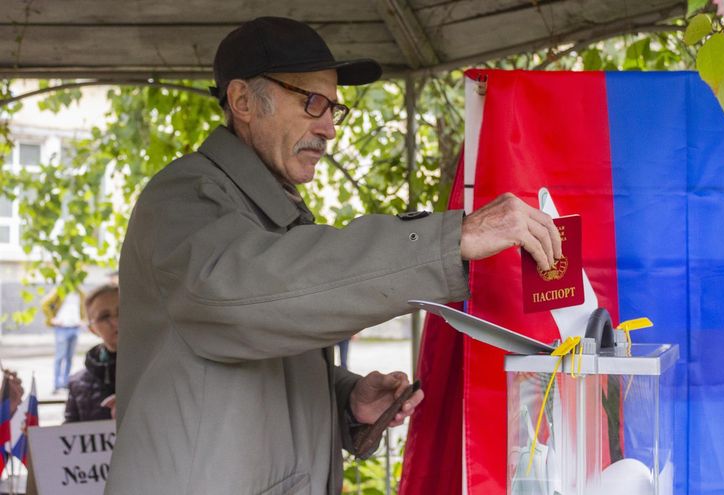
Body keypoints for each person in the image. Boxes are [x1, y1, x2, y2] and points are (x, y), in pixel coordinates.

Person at [106, 17, 561, 495]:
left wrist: (344, 401)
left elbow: (250, 358)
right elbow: (241, 300)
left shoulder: (267, 207)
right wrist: (450, 239)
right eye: (312, 103)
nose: (328, 128)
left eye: (333, 110)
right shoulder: (185, 196)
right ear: (242, 101)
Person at [64, 284, 118, 422]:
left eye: (123, 311)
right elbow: (68, 437)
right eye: (104, 316)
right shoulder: (79, 384)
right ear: (92, 329)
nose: (116, 321)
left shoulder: (163, 369)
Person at [40, 285, 85, 393]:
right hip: (62, 328)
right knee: (60, 357)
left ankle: (66, 383)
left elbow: (85, 306)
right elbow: (44, 304)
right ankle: (57, 385)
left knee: (70, 358)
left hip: (75, 327)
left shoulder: (79, 292)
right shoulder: (60, 290)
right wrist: (52, 319)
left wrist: (83, 319)